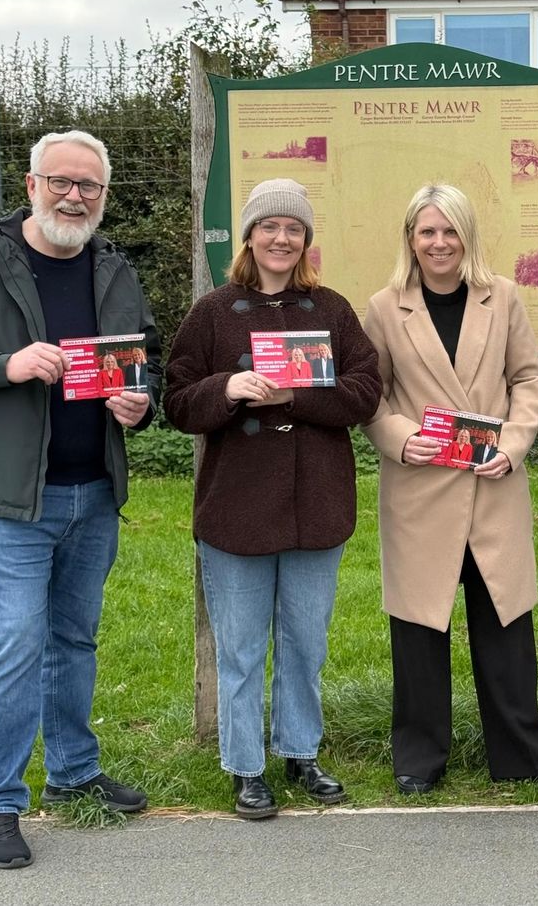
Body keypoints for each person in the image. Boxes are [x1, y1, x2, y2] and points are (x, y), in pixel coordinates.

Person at [0, 130, 161, 869]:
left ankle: (71, 773)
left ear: (104, 195)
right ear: (32, 185)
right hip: (11, 498)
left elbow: (143, 359)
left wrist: (141, 402)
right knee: (15, 642)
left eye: (89, 186)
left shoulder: (112, 267)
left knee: (75, 638)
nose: (75, 196)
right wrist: (7, 364)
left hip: (93, 490)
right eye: (62, 182)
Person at [164, 178, 381, 819]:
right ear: (250, 237)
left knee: (305, 640)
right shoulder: (210, 313)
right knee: (240, 647)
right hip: (236, 507)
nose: (281, 239)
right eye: (270, 227)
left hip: (317, 502)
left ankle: (301, 750)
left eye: (294, 229)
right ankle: (244, 765)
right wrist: (228, 387)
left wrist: (296, 397)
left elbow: (366, 391)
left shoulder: (332, 311)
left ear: (306, 241)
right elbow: (178, 401)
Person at [362, 183, 538, 795]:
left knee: (506, 624)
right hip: (421, 488)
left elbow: (529, 378)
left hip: (492, 481)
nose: (439, 242)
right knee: (420, 629)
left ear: (467, 235)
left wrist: (514, 442)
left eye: (449, 230)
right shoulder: (383, 307)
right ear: (411, 239)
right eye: (427, 231)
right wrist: (399, 436)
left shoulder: (501, 297)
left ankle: (524, 752)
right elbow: (368, 394)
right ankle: (419, 758)